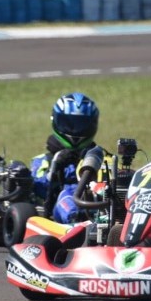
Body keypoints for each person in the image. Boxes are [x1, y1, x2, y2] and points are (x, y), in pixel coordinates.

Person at [31, 92, 102, 224]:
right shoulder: (44, 160)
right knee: (69, 195)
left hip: (96, 199)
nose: (75, 131)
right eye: (69, 124)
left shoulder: (98, 156)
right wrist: (57, 166)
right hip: (61, 211)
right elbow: (39, 185)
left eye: (82, 125)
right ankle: (77, 219)